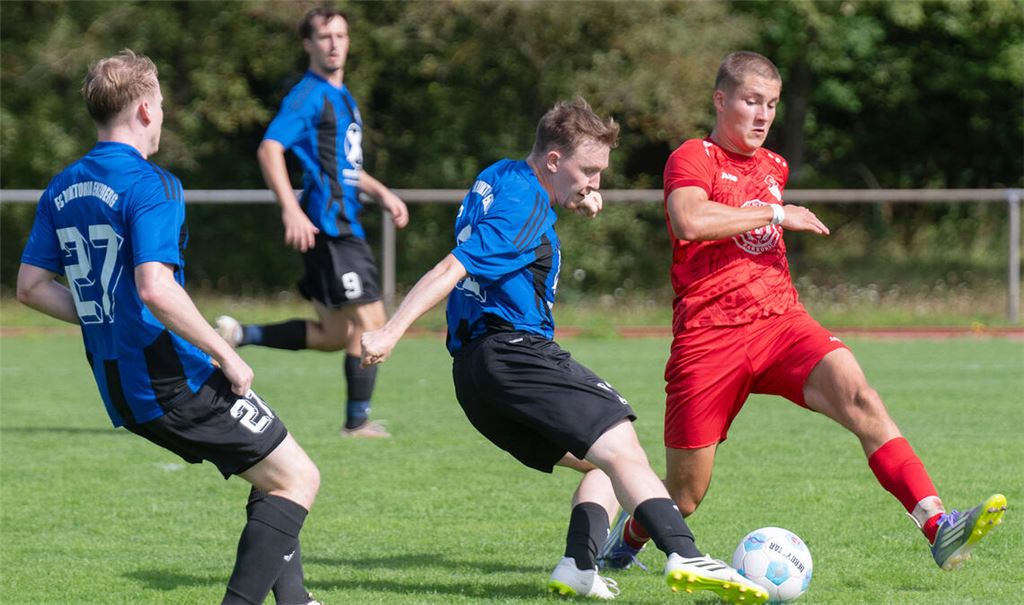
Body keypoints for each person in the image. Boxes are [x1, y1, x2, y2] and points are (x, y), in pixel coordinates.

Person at [597, 51, 1007, 573]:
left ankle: (937, 525)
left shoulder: (774, 166)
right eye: (751, 101)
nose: (763, 115)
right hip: (709, 339)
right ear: (721, 100)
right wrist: (774, 212)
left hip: (781, 322)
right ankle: (629, 537)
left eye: (771, 104)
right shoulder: (693, 156)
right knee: (685, 494)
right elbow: (689, 221)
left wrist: (773, 210)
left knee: (861, 397)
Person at [360, 98, 769, 603]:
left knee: (603, 462)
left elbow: (515, 235)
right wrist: (389, 331)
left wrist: (572, 199)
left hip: (473, 376)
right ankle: (684, 554)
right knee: (623, 445)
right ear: (553, 161)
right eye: (589, 171)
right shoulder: (525, 205)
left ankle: (578, 565)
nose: (596, 182)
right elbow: (452, 267)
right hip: (514, 352)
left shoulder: (502, 175)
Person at [16, 50, 321, 605]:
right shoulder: (151, 184)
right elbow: (156, 287)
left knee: (276, 469)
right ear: (145, 110)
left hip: (118, 382)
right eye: (161, 103)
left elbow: (31, 287)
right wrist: (225, 354)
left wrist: (102, 313)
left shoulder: (61, 187)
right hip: (168, 374)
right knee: (298, 478)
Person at [215, 7, 409, 438]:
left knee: (334, 334)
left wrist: (381, 192)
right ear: (309, 45)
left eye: (341, 35)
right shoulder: (309, 95)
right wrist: (291, 208)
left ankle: (240, 333)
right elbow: (270, 149)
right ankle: (356, 422)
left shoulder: (343, 98)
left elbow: (344, 167)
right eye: (325, 37)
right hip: (332, 229)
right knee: (373, 324)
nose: (334, 44)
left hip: (343, 227)